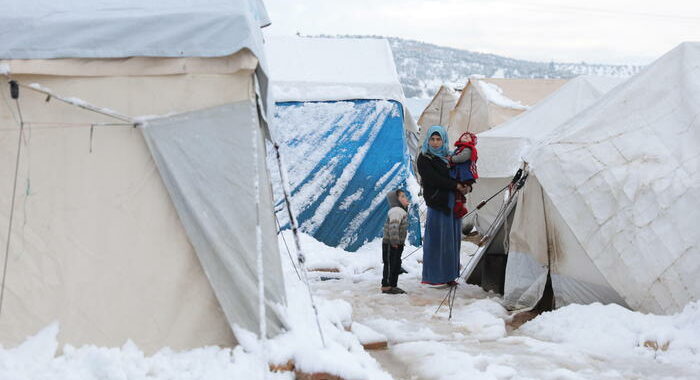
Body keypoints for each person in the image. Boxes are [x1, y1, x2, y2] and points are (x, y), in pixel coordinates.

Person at [416, 125, 468, 287]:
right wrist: (455, 185)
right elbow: (433, 179)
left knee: (452, 240)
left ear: (444, 140)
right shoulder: (425, 158)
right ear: (428, 140)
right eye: (432, 139)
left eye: (438, 139)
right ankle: (434, 276)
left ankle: (449, 276)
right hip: (437, 202)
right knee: (437, 240)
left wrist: (466, 185)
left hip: (453, 202)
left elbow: (462, 174)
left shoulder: (449, 156)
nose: (435, 142)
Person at [381, 189, 410, 294]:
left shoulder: (401, 211)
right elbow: (393, 226)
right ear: (395, 201)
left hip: (397, 244)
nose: (405, 198)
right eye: (402, 196)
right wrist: (394, 241)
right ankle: (387, 286)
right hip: (391, 244)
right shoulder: (396, 211)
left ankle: (393, 285)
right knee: (390, 264)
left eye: (405, 195)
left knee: (395, 264)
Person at [448, 132, 479, 218]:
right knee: (458, 192)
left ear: (472, 142)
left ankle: (460, 206)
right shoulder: (459, 148)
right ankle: (460, 205)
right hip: (459, 174)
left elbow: (461, 158)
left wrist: (451, 159)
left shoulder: (468, 149)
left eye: (469, 137)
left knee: (459, 190)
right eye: (464, 135)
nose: (466, 136)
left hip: (463, 175)